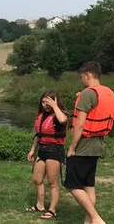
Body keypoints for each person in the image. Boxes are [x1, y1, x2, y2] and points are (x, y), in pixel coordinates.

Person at [64, 61, 114, 224]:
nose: (81, 80)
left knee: (71, 183)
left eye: (82, 77)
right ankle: (89, 221)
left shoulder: (87, 93)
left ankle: (96, 219)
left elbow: (80, 124)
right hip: (98, 145)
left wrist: (72, 147)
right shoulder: (108, 92)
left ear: (87, 75)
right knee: (88, 184)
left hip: (84, 145)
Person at [26, 91, 68, 220]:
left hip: (54, 150)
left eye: (48, 102)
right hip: (42, 150)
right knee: (37, 179)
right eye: (43, 102)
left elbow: (63, 120)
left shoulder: (59, 115)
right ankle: (40, 205)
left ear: (55, 101)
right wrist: (33, 150)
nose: (45, 105)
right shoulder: (42, 115)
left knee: (52, 182)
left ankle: (52, 210)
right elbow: (39, 135)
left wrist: (55, 107)